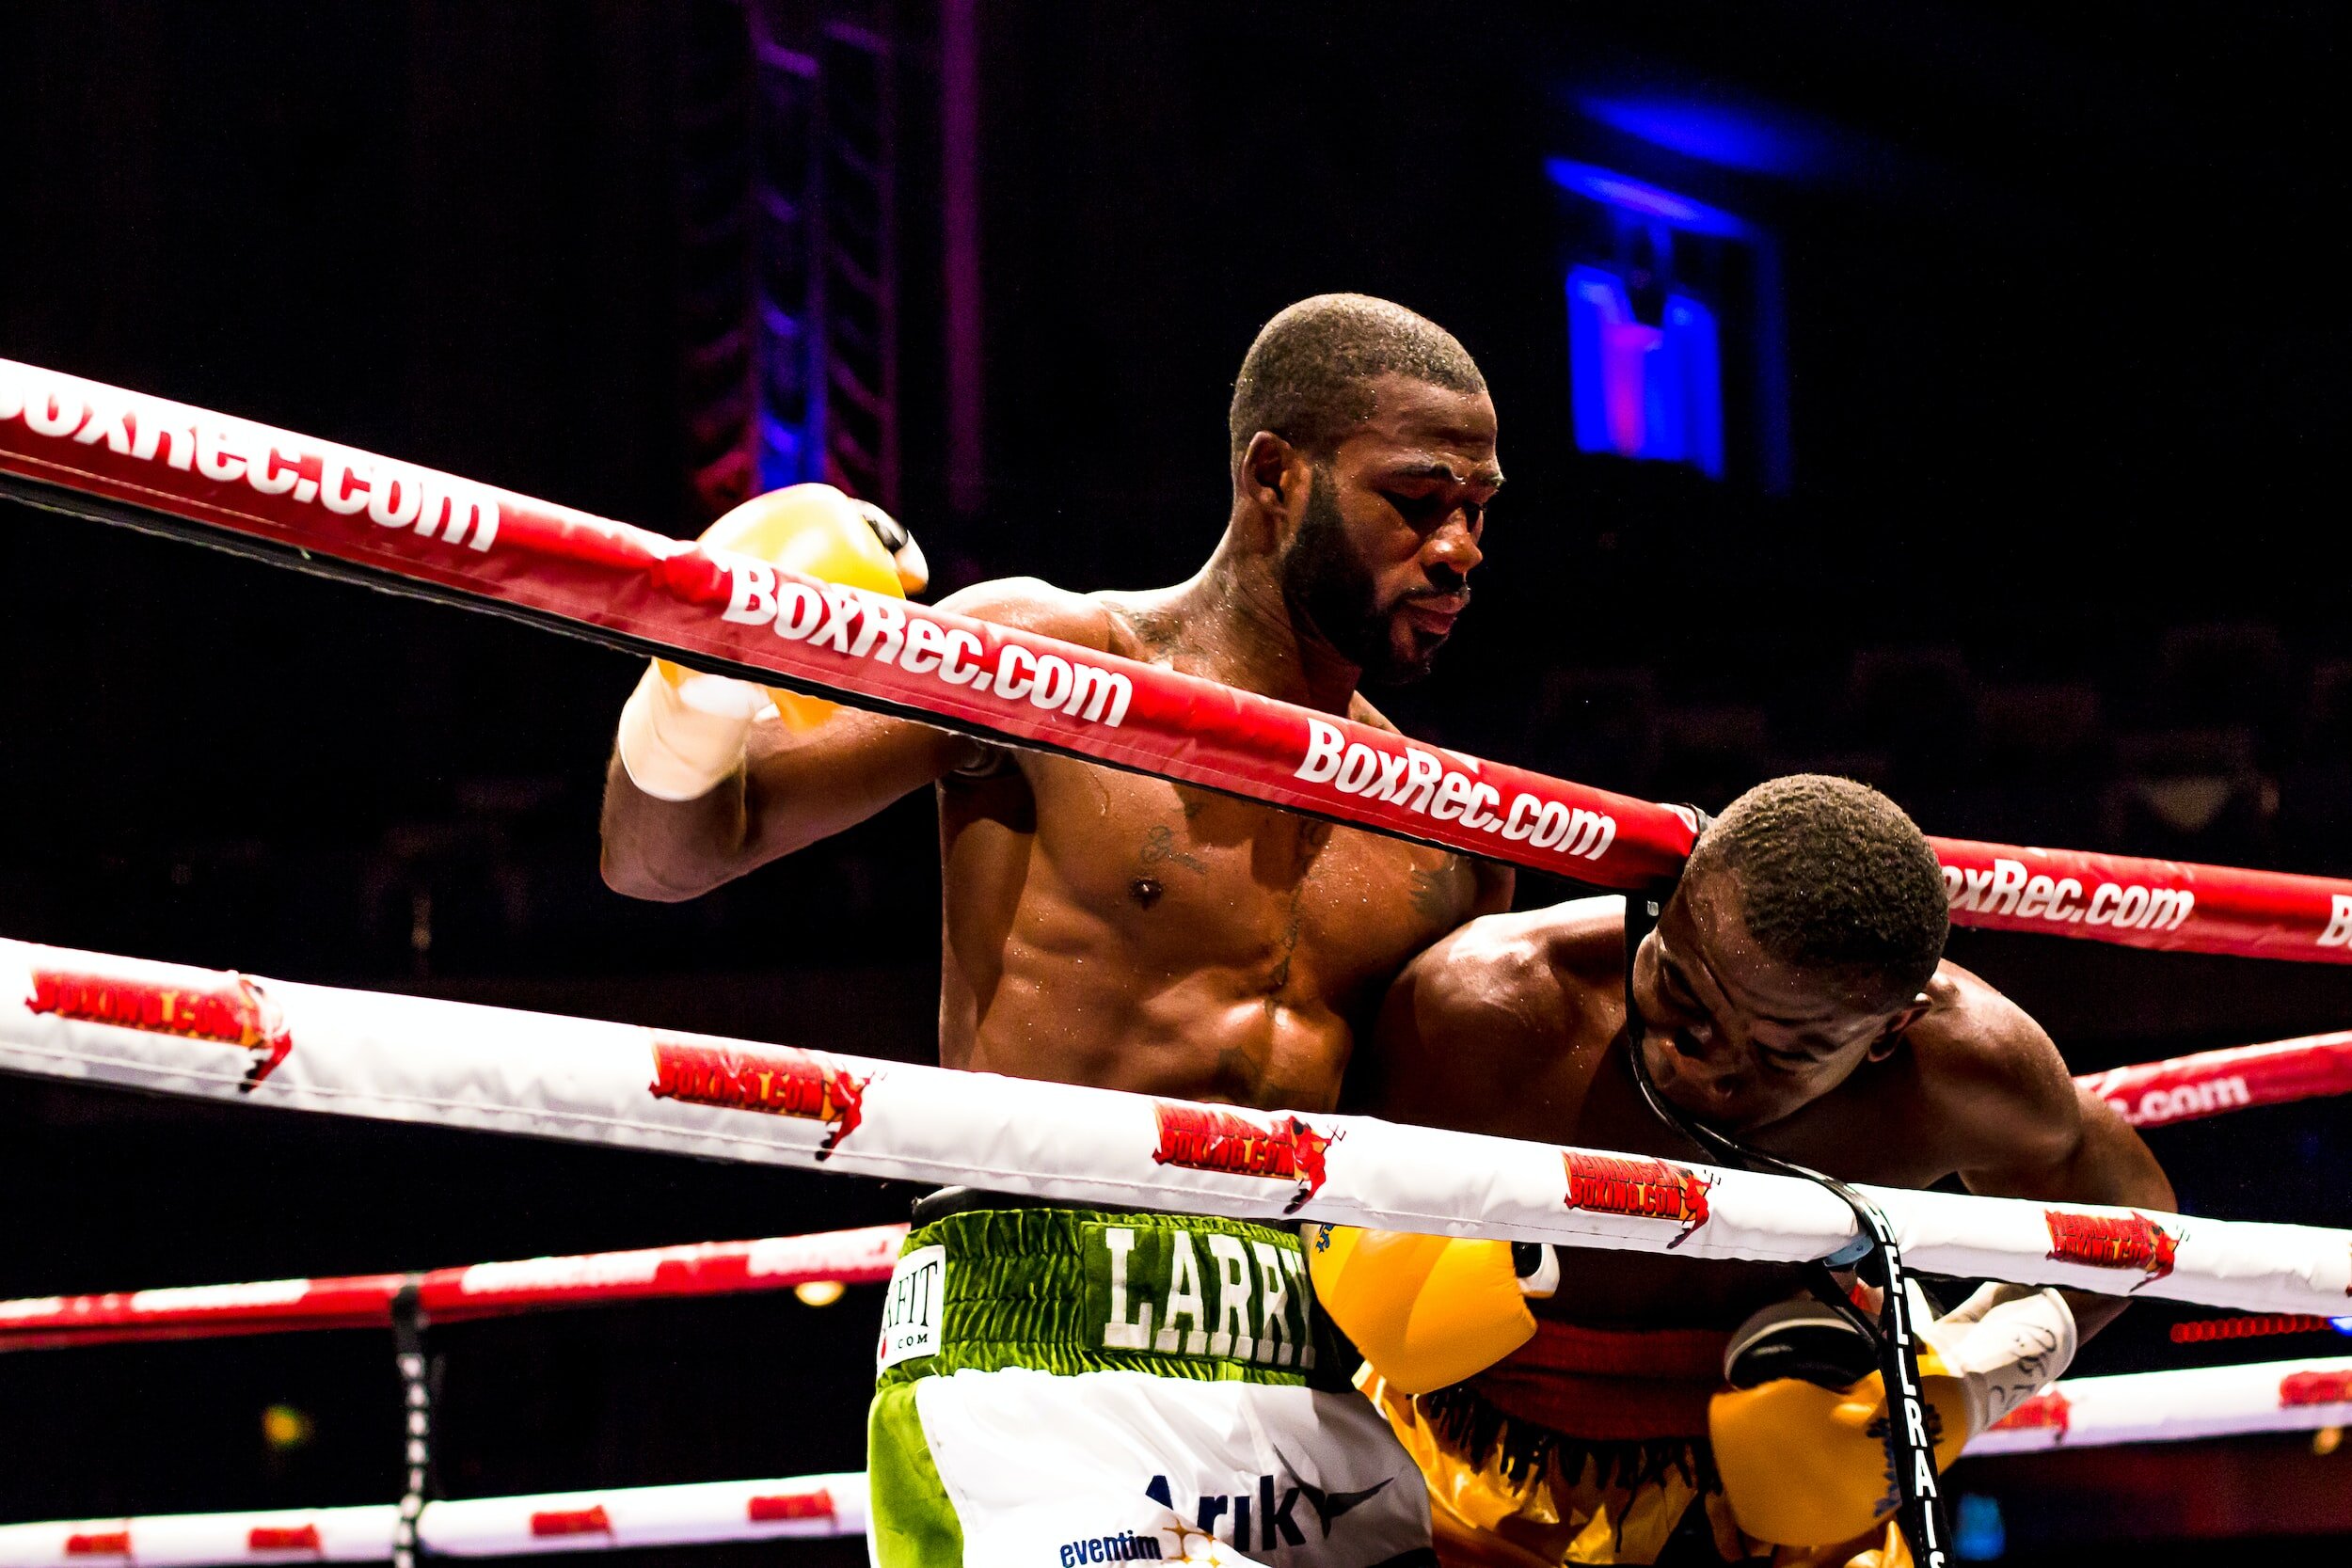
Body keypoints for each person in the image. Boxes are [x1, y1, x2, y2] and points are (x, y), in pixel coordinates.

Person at [601, 294, 1515, 1568]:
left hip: (1312, 1375)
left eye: (1480, 507)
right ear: (1275, 476)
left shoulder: (1445, 829)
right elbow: (664, 856)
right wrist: (697, 674)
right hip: (1031, 1345)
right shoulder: (1045, 661)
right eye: (1420, 500)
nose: (1461, 546)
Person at [1312, 775, 2174, 1567]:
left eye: (1780, 1051)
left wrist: (1970, 1377)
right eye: (1682, 991)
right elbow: (1320, 1181)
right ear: (1664, 911)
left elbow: (2130, 1222)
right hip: (1462, 1467)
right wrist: (1380, 1264)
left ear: (1887, 1033)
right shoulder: (1495, 1011)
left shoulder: (1958, 1075)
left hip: (1789, 1493)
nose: (1705, 1061)